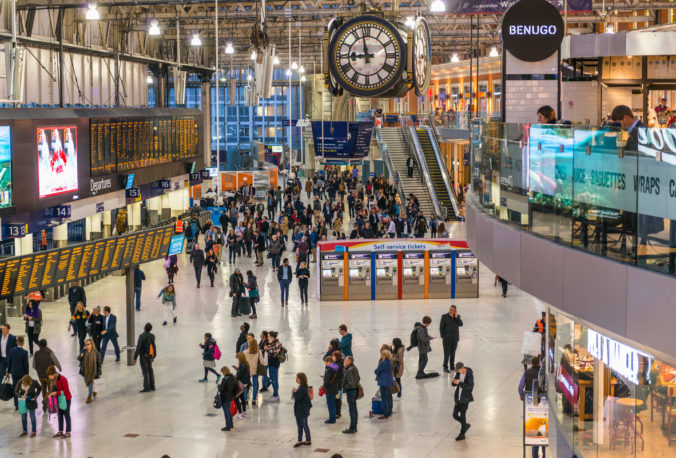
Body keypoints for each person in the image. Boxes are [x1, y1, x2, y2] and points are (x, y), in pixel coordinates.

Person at [32, 339, 61, 411]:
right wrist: (59, 368)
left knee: (43, 389)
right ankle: (46, 402)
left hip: (41, 376)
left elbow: (33, 365)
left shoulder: (36, 353)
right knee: (50, 389)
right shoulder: (49, 352)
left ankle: (45, 404)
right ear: (46, 344)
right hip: (49, 375)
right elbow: (55, 360)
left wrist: (39, 370)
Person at [46, 366, 72, 438]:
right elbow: (52, 390)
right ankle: (60, 431)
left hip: (66, 399)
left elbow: (66, 391)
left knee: (66, 414)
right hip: (58, 400)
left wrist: (56, 393)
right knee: (60, 415)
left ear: (54, 374)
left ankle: (68, 432)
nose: (49, 378)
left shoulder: (63, 379)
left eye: (50, 376)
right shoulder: (52, 381)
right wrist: (50, 395)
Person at [451, 362, 474, 441]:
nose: (458, 372)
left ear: (463, 367)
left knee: (463, 416)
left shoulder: (469, 375)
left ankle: (462, 434)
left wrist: (460, 383)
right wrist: (454, 383)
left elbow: (470, 387)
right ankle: (465, 425)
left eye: (459, 370)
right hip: (458, 398)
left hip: (465, 399)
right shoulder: (458, 373)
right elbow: (454, 384)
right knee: (454, 415)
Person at [7, 335, 29, 410]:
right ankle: (22, 402)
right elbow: (26, 364)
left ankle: (16, 404)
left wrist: (8, 371)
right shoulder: (25, 352)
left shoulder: (11, 351)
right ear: (23, 342)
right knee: (23, 388)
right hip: (22, 373)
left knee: (15, 388)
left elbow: (9, 362)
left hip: (14, 372)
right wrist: (27, 374)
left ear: (17, 342)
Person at [133, 323, 156, 393]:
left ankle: (146, 387)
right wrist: (153, 356)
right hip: (149, 356)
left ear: (145, 328)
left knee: (145, 372)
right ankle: (152, 386)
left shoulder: (141, 336)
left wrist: (135, 357)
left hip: (143, 357)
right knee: (150, 371)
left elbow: (138, 347)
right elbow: (153, 346)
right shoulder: (152, 336)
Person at [439, 305, 463, 373]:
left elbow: (461, 324)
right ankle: (445, 367)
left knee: (453, 353)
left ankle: (452, 366)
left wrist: (456, 317)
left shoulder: (457, 317)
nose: (451, 311)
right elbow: (441, 328)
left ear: (455, 311)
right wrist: (443, 336)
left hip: (455, 338)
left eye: (453, 310)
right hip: (447, 339)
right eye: (450, 309)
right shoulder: (444, 316)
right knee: (447, 353)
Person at [243, 334, 265, 406]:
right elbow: (262, 361)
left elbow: (242, 361)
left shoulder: (245, 352)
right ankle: (254, 399)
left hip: (247, 370)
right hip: (255, 370)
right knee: (255, 384)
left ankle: (245, 399)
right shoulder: (258, 352)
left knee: (246, 384)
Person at [77, 338, 100, 404]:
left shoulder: (96, 352)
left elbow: (98, 362)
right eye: (85, 344)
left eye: (88, 344)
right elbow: (78, 358)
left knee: (89, 383)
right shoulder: (83, 351)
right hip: (84, 371)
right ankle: (93, 390)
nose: (86, 346)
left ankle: (89, 396)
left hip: (93, 371)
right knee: (86, 382)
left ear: (91, 345)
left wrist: (99, 371)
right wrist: (81, 356)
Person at [292, 372, 312, 448]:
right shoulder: (302, 387)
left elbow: (297, 397)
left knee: (303, 425)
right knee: (301, 425)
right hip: (300, 409)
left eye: (297, 378)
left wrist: (294, 392)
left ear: (301, 379)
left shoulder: (303, 388)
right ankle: (301, 440)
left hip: (301, 410)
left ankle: (306, 440)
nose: (296, 379)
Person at [342, 356, 360, 434]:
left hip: (351, 391)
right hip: (354, 390)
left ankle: (352, 427)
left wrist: (344, 387)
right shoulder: (354, 368)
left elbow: (351, 384)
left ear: (349, 362)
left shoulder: (349, 370)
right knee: (354, 408)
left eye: (345, 360)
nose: (344, 362)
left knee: (352, 409)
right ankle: (354, 425)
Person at [374, 349, 394, 419]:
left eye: (382, 354)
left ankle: (386, 414)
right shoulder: (390, 362)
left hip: (383, 382)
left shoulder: (383, 363)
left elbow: (376, 371)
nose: (381, 356)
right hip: (389, 381)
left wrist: (376, 370)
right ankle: (389, 411)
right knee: (389, 397)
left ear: (384, 355)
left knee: (384, 398)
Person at [262, 331, 282, 402]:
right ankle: (275, 394)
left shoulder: (277, 343)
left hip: (274, 364)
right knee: (272, 378)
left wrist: (267, 349)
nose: (267, 338)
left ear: (272, 337)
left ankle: (275, 395)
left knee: (274, 380)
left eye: (268, 336)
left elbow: (275, 353)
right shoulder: (270, 343)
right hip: (271, 364)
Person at [322, 355, 340, 424]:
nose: (325, 364)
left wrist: (324, 386)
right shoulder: (336, 367)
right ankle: (333, 417)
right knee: (333, 404)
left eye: (326, 362)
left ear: (328, 361)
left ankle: (331, 419)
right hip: (335, 387)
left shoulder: (329, 370)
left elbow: (327, 381)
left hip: (330, 389)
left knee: (330, 404)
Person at [218, 366, 237, 431]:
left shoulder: (225, 379)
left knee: (226, 412)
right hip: (231, 397)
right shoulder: (233, 377)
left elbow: (221, 389)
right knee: (229, 411)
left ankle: (228, 426)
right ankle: (231, 424)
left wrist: (219, 386)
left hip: (225, 398)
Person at [234, 352, 250, 418]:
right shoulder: (246, 363)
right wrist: (238, 369)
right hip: (245, 383)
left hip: (241, 383)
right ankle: (244, 412)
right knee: (242, 398)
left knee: (236, 397)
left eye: (238, 358)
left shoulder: (242, 365)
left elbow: (239, 376)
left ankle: (240, 413)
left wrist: (234, 378)